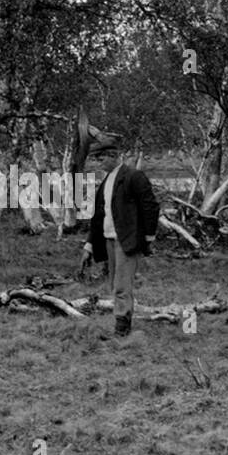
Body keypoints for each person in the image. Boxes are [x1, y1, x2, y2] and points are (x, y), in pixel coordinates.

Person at [79, 136, 160, 336]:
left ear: (114, 156)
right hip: (108, 239)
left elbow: (150, 207)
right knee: (114, 284)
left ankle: (122, 331)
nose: (98, 162)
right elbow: (98, 216)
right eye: (96, 159)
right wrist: (88, 246)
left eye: (101, 158)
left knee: (122, 286)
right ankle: (122, 325)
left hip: (127, 240)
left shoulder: (133, 176)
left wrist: (148, 237)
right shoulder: (106, 181)